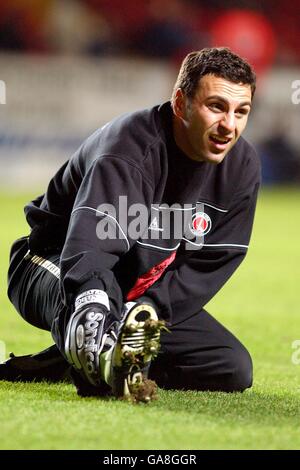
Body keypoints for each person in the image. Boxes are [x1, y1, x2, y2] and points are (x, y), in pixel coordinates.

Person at [0, 47, 260, 403]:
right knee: (94, 334)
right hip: (52, 262)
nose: (229, 125)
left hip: (131, 290)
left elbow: (210, 261)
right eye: (216, 106)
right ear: (181, 103)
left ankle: (66, 360)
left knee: (228, 366)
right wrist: (93, 311)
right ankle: (94, 353)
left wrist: (150, 308)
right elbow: (90, 250)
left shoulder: (241, 167)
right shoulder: (130, 147)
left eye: (241, 112)